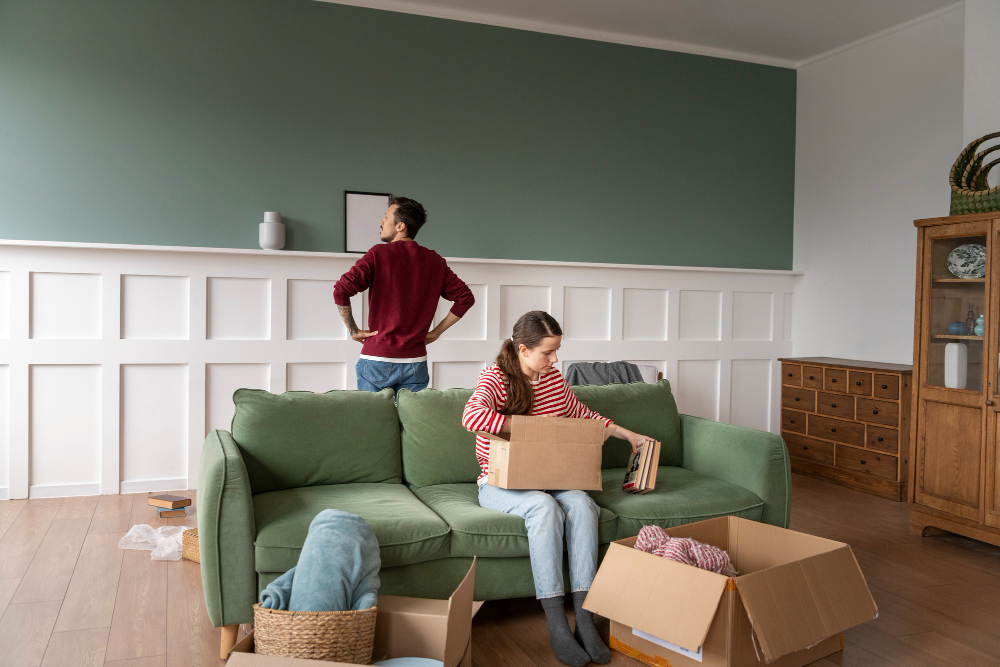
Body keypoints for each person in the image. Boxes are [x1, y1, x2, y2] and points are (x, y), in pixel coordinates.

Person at [461, 311, 652, 667]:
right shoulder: (496, 377)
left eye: (556, 350)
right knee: (543, 508)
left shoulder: (552, 379)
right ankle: (555, 624)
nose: (554, 359)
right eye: (548, 352)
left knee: (581, 504)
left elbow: (582, 414)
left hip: (549, 477)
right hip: (500, 483)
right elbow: (471, 417)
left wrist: (629, 436)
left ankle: (584, 618)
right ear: (523, 349)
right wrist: (533, 429)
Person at [333, 196, 474, 393]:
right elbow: (465, 298)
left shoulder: (378, 254)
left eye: (386, 216)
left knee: (373, 422)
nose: (381, 221)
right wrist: (435, 333)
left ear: (400, 226)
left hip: (377, 359)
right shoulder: (435, 261)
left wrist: (354, 331)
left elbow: (341, 290)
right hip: (416, 363)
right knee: (411, 423)